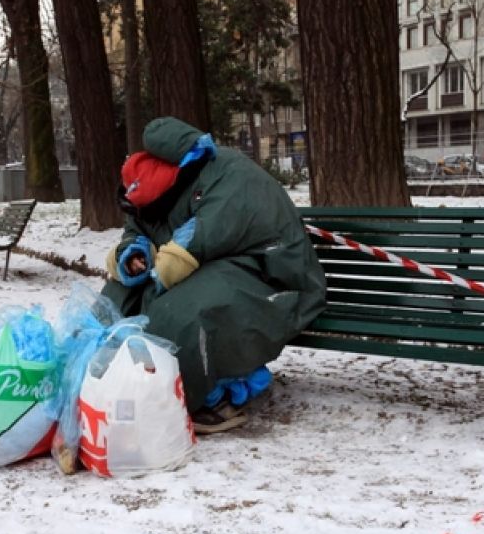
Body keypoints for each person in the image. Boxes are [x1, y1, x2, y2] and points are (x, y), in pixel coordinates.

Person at [103, 117, 327, 434]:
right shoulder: (159, 186)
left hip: (271, 275)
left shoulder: (230, 173)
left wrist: (169, 262)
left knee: (179, 312)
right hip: (222, 266)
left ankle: (188, 399)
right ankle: (102, 383)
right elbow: (139, 229)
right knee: (118, 296)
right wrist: (133, 254)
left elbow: (201, 239)